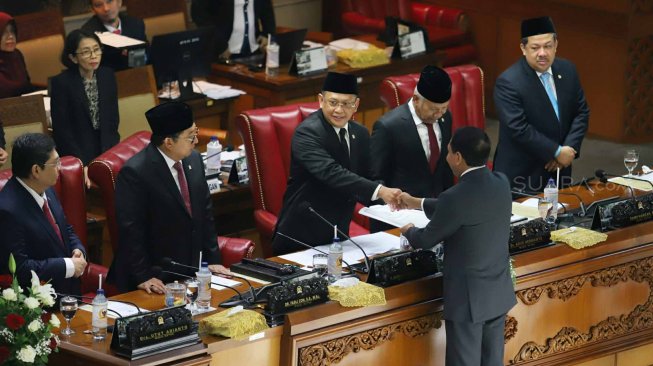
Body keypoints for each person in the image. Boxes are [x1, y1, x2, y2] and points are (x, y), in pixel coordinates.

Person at [399, 127, 516, 366]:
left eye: (449, 150)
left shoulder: (455, 197)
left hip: (468, 301)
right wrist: (416, 203)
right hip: (496, 293)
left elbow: (425, 239)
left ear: (458, 157)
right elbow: (463, 207)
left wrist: (408, 229)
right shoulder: (500, 182)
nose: (447, 156)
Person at [272, 72, 402, 256]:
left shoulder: (361, 133)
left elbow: (368, 176)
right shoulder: (307, 133)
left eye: (346, 104)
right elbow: (332, 173)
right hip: (301, 234)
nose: (339, 110)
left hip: (339, 233)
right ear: (321, 100)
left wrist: (397, 202)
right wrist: (381, 191)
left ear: (356, 105)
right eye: (333, 102)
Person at [107, 102, 230, 294]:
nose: (196, 141)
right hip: (156, 274)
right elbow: (131, 230)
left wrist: (212, 262)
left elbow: (205, 215)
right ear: (168, 142)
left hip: (191, 271)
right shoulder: (136, 172)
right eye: (190, 137)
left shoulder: (194, 160)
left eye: (195, 133)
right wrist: (143, 275)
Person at [494, 16, 589, 192]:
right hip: (524, 175)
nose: (542, 53)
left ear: (556, 45)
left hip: (561, 170)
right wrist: (556, 152)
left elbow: (581, 112)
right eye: (535, 48)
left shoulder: (568, 69)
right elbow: (518, 128)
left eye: (548, 46)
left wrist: (570, 149)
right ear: (523, 48)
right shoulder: (509, 82)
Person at [0, 133, 87, 295]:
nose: (60, 168)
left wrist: (77, 249)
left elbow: (65, 228)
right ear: (36, 170)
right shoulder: (7, 210)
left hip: (70, 295)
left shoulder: (46, 188)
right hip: (38, 305)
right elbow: (20, 268)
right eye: (55, 163)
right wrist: (67, 266)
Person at [369, 65, 454, 232]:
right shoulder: (388, 126)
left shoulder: (445, 119)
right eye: (434, 109)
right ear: (416, 99)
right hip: (399, 218)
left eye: (444, 109)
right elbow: (375, 177)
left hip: (435, 214)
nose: (439, 114)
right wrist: (389, 211)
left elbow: (444, 169)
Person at [51, 29, 120, 188]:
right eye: (86, 52)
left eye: (97, 50)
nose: (94, 56)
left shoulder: (107, 75)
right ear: (73, 58)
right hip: (77, 151)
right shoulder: (61, 83)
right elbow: (62, 131)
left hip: (107, 147)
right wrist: (81, 164)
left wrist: (109, 157)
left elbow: (112, 120)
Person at [191, 0, 276, 59]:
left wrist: (267, 34)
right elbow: (199, 14)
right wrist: (220, 46)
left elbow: (267, 7)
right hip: (225, 55)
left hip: (255, 51)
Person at [81, 0, 147, 70]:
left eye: (109, 1)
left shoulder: (136, 25)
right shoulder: (88, 34)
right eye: (98, 5)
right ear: (93, 10)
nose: (106, 8)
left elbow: (143, 58)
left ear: (119, 2)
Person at [0, 12, 34, 99]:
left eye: (12, 31)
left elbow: (27, 87)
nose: (10, 36)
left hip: (23, 107)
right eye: (4, 32)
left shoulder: (16, 55)